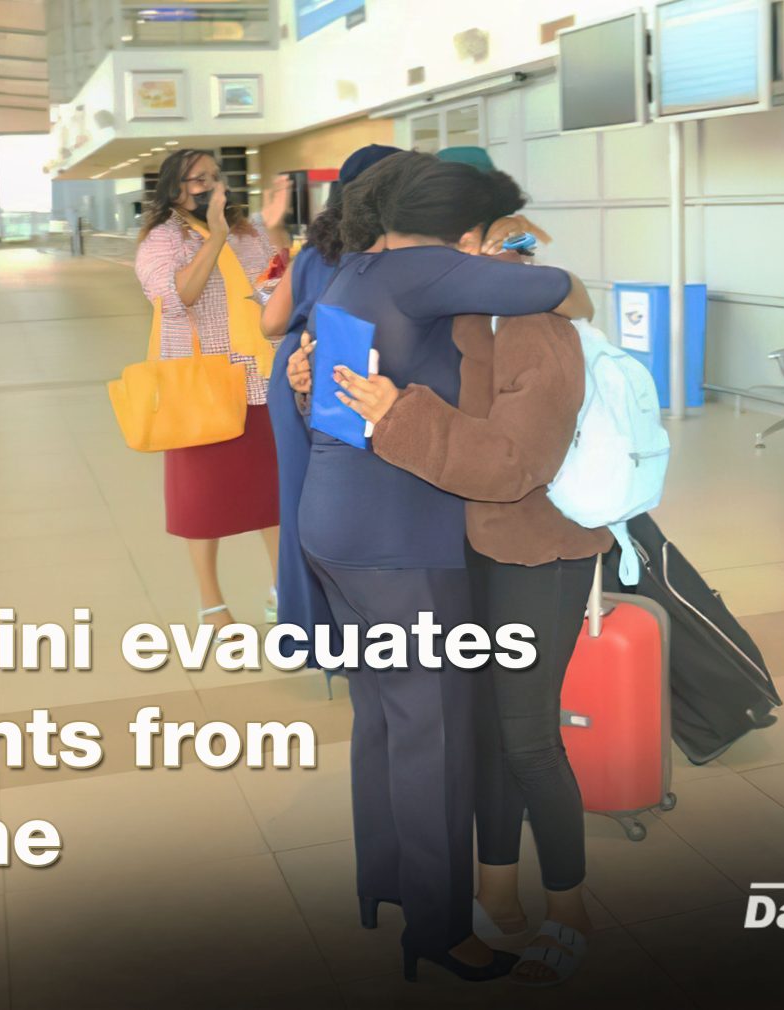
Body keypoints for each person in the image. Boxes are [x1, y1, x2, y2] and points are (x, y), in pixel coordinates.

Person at [294, 152, 593, 984]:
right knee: (434, 734)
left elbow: (332, 406)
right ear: (462, 232)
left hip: (332, 524)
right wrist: (515, 251)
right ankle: (436, 928)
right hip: (400, 541)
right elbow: (559, 286)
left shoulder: (353, 271)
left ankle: (385, 883)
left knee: (382, 720)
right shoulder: (428, 269)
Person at [133, 149, 293, 627]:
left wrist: (274, 233)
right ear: (174, 189)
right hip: (198, 388)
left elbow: (273, 291)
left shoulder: (249, 233)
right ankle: (211, 604)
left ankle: (283, 589)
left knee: (274, 493)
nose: (211, 185)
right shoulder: (162, 240)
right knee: (202, 500)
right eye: (198, 179)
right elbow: (175, 296)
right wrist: (216, 235)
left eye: (214, 176)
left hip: (259, 381)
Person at [260, 143, 401, 660]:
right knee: (354, 507)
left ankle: (313, 635)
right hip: (348, 376)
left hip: (296, 374)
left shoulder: (315, 251)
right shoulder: (390, 251)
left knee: (303, 504)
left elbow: (271, 323)